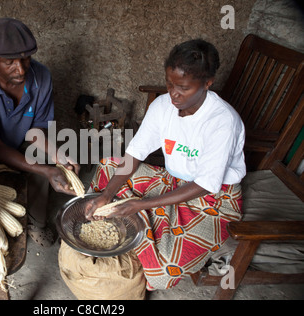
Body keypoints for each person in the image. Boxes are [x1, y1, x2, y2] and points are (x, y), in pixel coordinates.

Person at [85, 39, 246, 290]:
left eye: (183, 88)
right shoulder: (163, 106)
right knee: (109, 166)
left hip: (212, 200)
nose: (173, 94)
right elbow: (135, 152)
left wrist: (141, 203)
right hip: (171, 182)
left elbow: (206, 184)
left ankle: (138, 219)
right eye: (169, 83)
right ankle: (138, 222)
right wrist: (107, 195)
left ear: (207, 83)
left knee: (161, 275)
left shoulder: (222, 121)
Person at [0, 17, 79, 246]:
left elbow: (37, 130)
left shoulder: (41, 77)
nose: (20, 69)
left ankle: (37, 222)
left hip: (19, 138)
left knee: (43, 155)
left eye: (25, 59)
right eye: (10, 62)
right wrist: (46, 171)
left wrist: (57, 157)